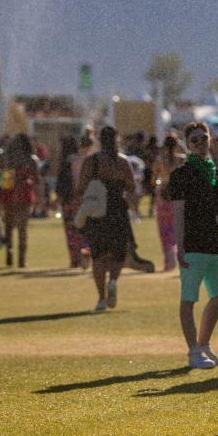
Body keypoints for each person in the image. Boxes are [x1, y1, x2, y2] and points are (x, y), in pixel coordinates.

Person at [169, 122, 218, 369]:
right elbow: (178, 213)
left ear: (210, 140)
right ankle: (193, 351)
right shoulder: (181, 174)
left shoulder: (215, 172)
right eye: (194, 140)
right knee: (189, 299)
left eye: (203, 138)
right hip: (192, 244)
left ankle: (204, 345)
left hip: (214, 243)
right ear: (187, 143)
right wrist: (179, 246)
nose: (200, 143)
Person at [78, 126, 136, 310]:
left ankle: (101, 298)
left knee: (98, 255)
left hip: (97, 213)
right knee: (120, 253)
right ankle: (113, 280)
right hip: (118, 210)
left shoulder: (92, 161)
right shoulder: (123, 162)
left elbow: (80, 187)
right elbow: (132, 187)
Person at [0, 134, 36, 266]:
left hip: (11, 194)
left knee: (10, 227)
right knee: (21, 228)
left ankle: (10, 256)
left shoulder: (9, 160)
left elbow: (5, 181)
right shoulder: (30, 160)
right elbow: (36, 179)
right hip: (23, 195)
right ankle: (21, 260)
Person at [152, 134, 186, 272]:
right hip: (178, 198)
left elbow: (153, 179)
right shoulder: (182, 160)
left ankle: (169, 258)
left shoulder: (160, 160)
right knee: (178, 229)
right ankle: (180, 256)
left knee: (164, 230)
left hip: (164, 197)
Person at [55, 135, 86, 268]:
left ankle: (75, 259)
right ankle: (85, 255)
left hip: (68, 201)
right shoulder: (82, 160)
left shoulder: (65, 163)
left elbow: (61, 184)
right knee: (82, 229)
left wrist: (58, 199)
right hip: (82, 200)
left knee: (70, 231)